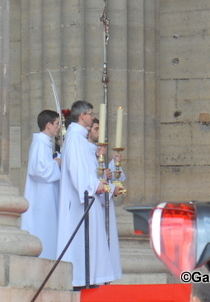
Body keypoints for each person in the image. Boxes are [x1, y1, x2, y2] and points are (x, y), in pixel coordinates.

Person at [56, 100, 115, 288]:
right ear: (82, 116)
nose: (92, 116)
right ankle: (81, 280)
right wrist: (94, 185)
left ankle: (90, 279)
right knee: (80, 242)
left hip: (89, 198)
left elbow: (87, 169)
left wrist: (98, 179)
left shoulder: (80, 139)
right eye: (91, 113)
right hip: (81, 201)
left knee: (91, 241)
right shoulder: (74, 138)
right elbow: (76, 170)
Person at [21, 109, 62, 259]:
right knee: (43, 227)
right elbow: (38, 170)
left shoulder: (45, 143)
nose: (58, 127)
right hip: (41, 196)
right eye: (56, 123)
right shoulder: (39, 143)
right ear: (48, 125)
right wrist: (56, 163)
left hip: (47, 193)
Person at [88, 119, 125, 281]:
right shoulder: (84, 151)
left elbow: (101, 177)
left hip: (103, 204)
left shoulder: (95, 151)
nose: (99, 133)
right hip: (93, 205)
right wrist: (106, 181)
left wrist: (113, 167)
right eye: (96, 129)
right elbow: (89, 180)